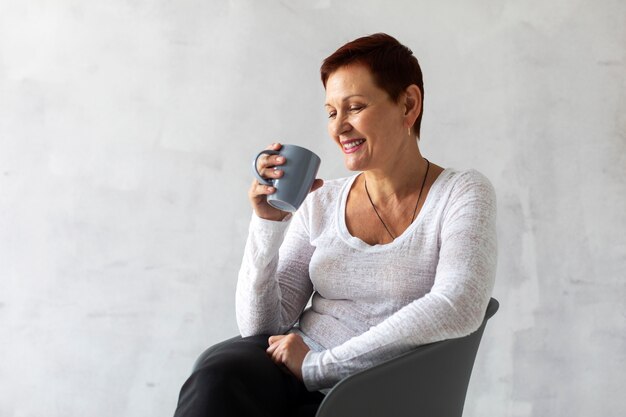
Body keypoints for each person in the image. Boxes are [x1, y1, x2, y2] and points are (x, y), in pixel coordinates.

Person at [173, 32, 496, 417]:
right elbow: (262, 325)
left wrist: (319, 366)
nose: (339, 127)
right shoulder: (322, 201)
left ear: (408, 104)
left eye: (354, 107)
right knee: (218, 376)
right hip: (294, 370)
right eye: (331, 112)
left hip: (386, 390)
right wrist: (267, 224)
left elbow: (457, 306)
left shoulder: (462, 193)